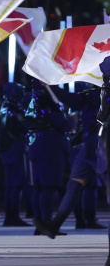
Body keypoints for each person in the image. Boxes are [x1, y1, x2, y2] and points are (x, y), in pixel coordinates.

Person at [34, 63, 110, 244]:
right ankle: (55, 224)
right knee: (75, 184)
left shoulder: (98, 90)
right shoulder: (95, 91)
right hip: (92, 144)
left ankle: (55, 224)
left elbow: (74, 101)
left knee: (76, 185)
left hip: (101, 145)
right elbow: (74, 101)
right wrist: (50, 86)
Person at [26, 80, 71, 236]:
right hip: (50, 146)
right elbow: (64, 125)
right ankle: (46, 222)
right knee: (48, 187)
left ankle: (39, 222)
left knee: (38, 187)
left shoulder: (32, 100)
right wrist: (70, 119)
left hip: (35, 144)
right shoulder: (46, 101)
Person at [0, 82, 31, 227]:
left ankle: (10, 215)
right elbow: (25, 127)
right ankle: (13, 215)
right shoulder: (16, 110)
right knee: (16, 185)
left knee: (10, 185)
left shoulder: (4, 108)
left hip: (7, 149)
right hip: (16, 147)